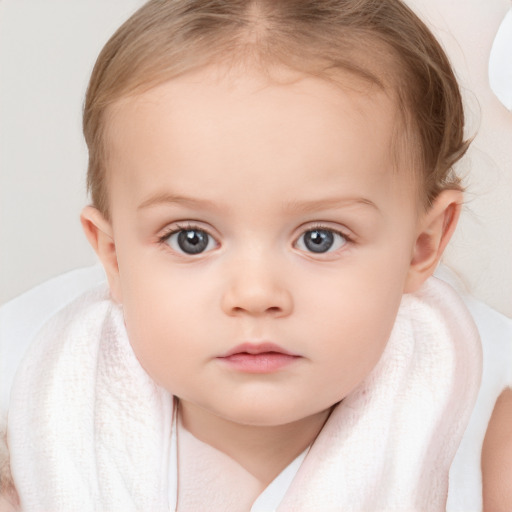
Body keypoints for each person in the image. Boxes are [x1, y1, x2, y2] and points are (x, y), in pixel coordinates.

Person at [2, 0, 511, 510]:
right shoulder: (32, 424)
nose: (256, 294)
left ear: (422, 246)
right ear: (112, 256)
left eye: (320, 238)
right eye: (191, 239)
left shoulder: (486, 439)